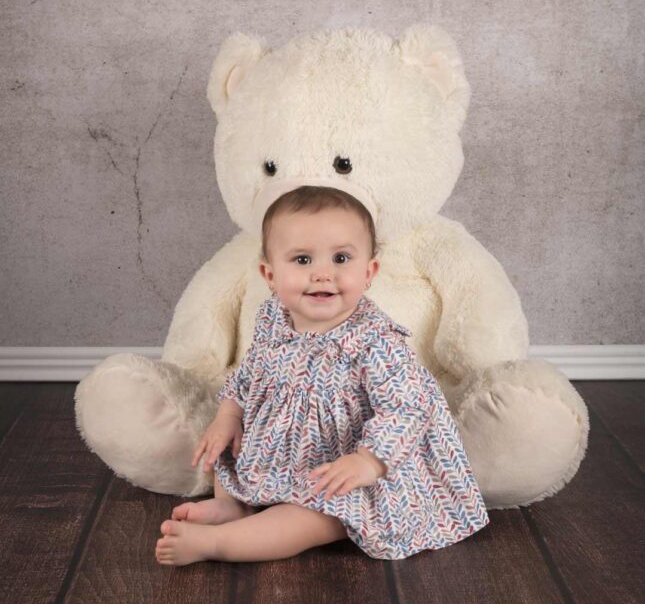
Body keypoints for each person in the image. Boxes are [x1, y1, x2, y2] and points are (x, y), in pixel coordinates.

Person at [155, 186, 490, 566]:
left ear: (369, 272)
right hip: (281, 454)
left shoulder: (375, 342)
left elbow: (409, 410)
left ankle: (218, 543)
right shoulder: (273, 319)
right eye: (302, 259)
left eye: (341, 258)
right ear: (270, 274)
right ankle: (233, 507)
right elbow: (250, 373)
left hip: (351, 467)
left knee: (314, 516)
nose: (322, 274)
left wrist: (369, 462)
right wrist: (229, 415)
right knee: (229, 454)